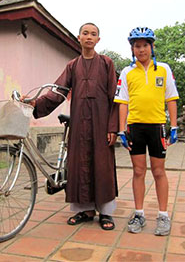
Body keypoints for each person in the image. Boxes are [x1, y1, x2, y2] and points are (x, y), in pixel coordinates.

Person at [24, 23, 119, 230]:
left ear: (98, 40)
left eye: (93, 34)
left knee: (102, 166)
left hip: (102, 123)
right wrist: (35, 103)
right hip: (79, 124)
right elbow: (58, 92)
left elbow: (115, 97)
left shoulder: (106, 63)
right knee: (79, 164)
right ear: (79, 38)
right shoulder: (72, 66)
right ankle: (83, 210)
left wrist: (113, 127)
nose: (89, 37)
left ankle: (105, 213)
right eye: (85, 33)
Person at [114, 27, 179, 236]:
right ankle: (139, 214)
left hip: (157, 126)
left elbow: (171, 99)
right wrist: (122, 130)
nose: (141, 49)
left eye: (144, 45)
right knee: (138, 171)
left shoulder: (164, 70)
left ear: (152, 47)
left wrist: (174, 126)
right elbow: (122, 102)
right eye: (137, 46)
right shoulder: (126, 72)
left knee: (159, 171)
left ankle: (163, 216)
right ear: (132, 49)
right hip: (135, 127)